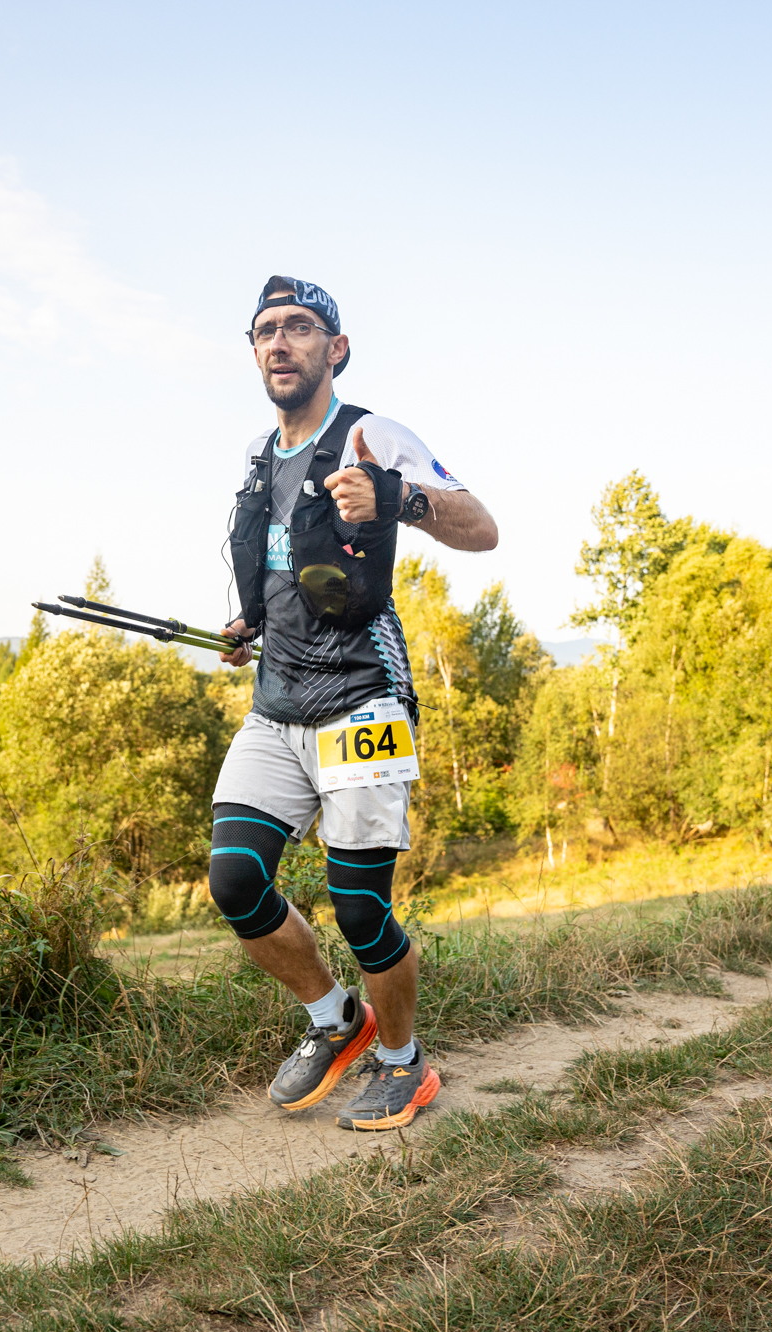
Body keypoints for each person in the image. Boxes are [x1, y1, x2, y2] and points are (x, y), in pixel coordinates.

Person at [208, 275, 498, 1131]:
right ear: (254, 352)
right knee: (236, 879)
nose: (280, 341)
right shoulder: (260, 457)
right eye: (266, 330)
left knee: (362, 905)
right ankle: (336, 1018)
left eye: (299, 327)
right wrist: (249, 623)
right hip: (276, 705)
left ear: (335, 349)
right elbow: (288, 573)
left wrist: (399, 498)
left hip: (362, 702)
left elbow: (482, 527)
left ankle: (404, 1062)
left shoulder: (371, 436)